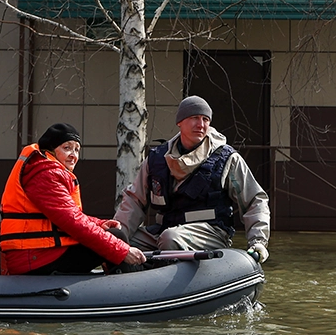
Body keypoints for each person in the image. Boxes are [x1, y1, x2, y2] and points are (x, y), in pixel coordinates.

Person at [114, 96, 271, 263]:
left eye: (205, 119)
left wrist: (258, 242)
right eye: (194, 118)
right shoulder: (156, 159)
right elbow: (134, 200)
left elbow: (255, 200)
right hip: (165, 229)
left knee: (170, 238)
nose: (201, 124)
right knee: (121, 242)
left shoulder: (227, 159)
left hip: (211, 233)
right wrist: (116, 235)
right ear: (180, 122)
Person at [0, 123, 147, 275]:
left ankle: (121, 283)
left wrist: (100, 224)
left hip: (38, 252)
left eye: (77, 149)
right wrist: (122, 251)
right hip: (35, 257)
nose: (73, 155)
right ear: (50, 149)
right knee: (117, 237)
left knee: (113, 233)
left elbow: (67, 216)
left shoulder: (43, 170)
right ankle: (131, 290)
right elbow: (73, 222)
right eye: (67, 147)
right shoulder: (45, 175)